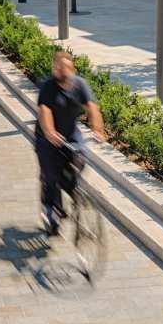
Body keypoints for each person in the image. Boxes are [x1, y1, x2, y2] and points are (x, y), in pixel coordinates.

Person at [35, 50, 105, 236]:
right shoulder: (49, 87)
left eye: (65, 67)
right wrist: (50, 132)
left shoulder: (79, 84)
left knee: (80, 160)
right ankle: (50, 209)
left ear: (71, 68)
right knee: (51, 175)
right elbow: (44, 110)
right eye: (57, 67)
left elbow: (93, 107)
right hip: (47, 139)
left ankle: (74, 193)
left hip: (71, 135)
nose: (61, 71)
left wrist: (97, 130)